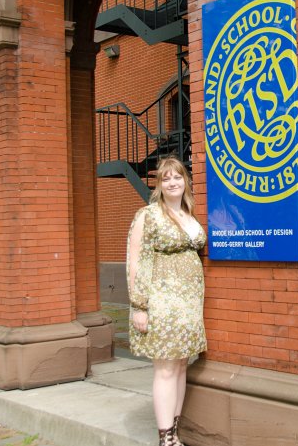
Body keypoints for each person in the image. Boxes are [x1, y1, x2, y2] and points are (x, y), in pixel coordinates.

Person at [126, 156, 207, 446]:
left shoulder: (190, 214)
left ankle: (175, 432)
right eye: (166, 178)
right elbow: (135, 262)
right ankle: (165, 438)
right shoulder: (148, 215)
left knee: (182, 364)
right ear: (159, 185)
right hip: (161, 301)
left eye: (178, 177)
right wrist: (139, 305)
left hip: (188, 305)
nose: (173, 182)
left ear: (186, 181)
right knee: (165, 367)